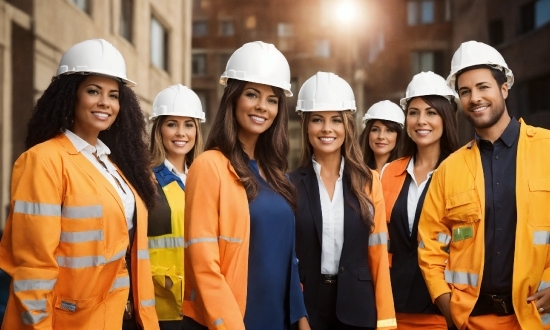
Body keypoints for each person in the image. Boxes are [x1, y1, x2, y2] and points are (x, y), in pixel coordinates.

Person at [0, 39, 159, 330]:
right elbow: (33, 268)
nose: (105, 102)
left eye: (113, 95)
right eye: (93, 91)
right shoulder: (43, 160)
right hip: (73, 322)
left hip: (125, 318)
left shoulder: (112, 166)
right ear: (70, 96)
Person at [418, 40, 550, 330]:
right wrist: (446, 303)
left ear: (504, 88)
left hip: (537, 319)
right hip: (472, 320)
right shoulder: (449, 169)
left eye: (483, 87)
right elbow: (430, 244)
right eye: (465, 92)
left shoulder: (547, 149)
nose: (474, 97)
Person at [182, 41, 308, 330]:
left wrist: (301, 318)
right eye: (252, 94)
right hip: (232, 321)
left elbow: (288, 259)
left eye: (272, 99)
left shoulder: (276, 175)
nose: (262, 107)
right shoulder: (209, 166)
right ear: (234, 98)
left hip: (279, 320)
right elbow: (204, 265)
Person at [289, 71, 396, 330]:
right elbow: (287, 259)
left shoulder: (369, 181)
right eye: (317, 120)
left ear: (347, 125)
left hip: (358, 307)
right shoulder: (289, 184)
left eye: (336, 120)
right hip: (308, 307)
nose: (327, 129)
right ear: (306, 126)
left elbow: (379, 254)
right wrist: (298, 313)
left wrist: (386, 321)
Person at [380, 71, 459, 329]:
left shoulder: (463, 171)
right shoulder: (388, 172)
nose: (421, 121)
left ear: (446, 117)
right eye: (413, 112)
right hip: (392, 309)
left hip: (442, 311)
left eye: (431, 112)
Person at [147, 85, 205, 330]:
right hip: (161, 309)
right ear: (159, 128)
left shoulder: (204, 178)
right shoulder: (145, 180)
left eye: (188, 124)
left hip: (200, 304)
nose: (181, 133)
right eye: (172, 124)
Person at [359, 100, 405, 171]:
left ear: (398, 136)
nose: (381, 136)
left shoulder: (408, 172)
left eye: (389, 130)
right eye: (375, 130)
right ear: (367, 134)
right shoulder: (354, 173)